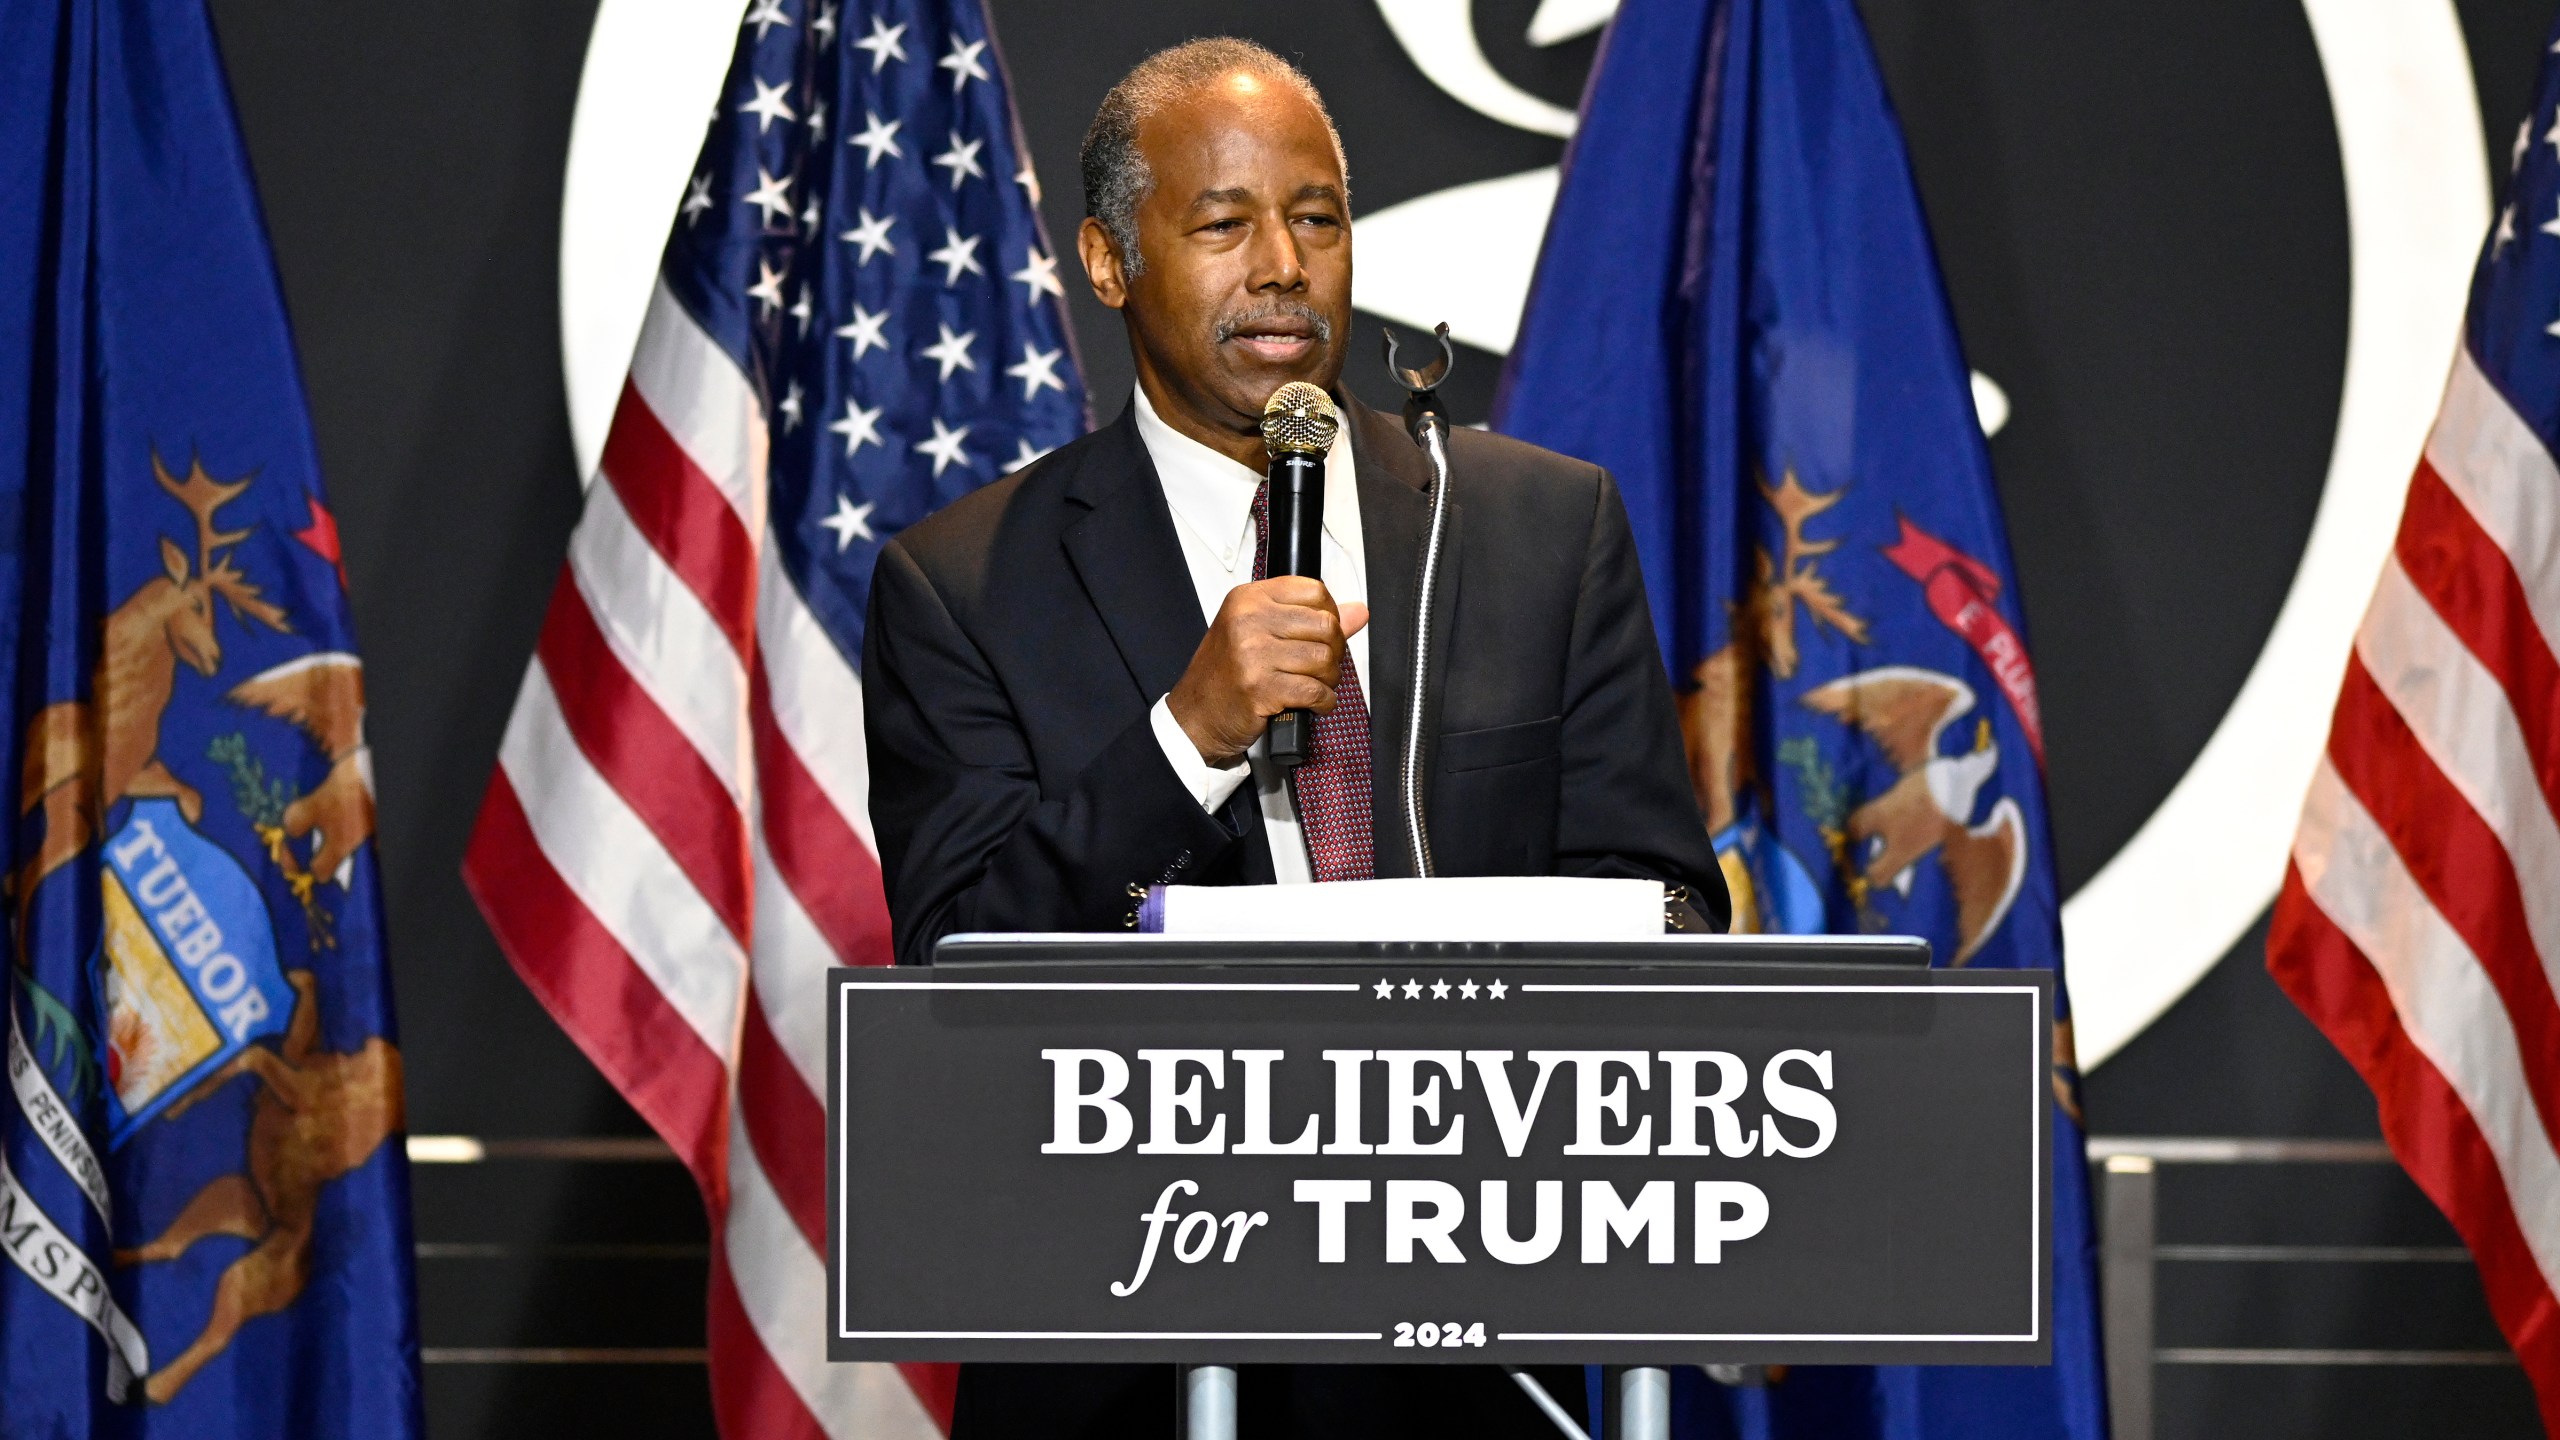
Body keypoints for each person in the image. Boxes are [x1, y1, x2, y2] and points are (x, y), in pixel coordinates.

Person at [861, 37, 1729, 1439]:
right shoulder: (963, 583)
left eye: (1316, 218)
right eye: (1222, 223)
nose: (1283, 265)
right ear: (1105, 259)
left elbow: (1668, 902)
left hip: (1475, 1367)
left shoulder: (1532, 527)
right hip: (1127, 1366)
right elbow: (958, 979)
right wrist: (1188, 734)